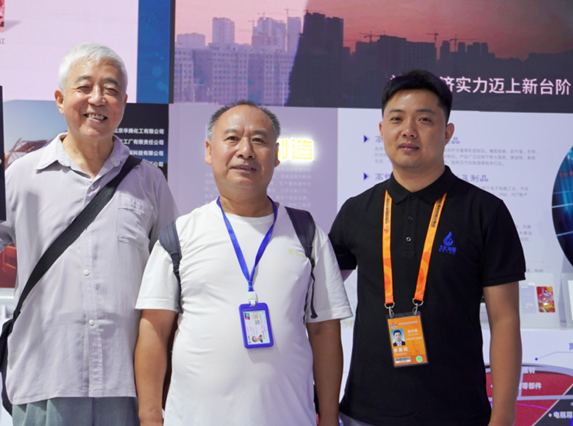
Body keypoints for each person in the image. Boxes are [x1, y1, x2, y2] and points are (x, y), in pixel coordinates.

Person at [0, 43, 179, 426]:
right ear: (59, 100)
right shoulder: (22, 176)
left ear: (124, 103)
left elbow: (173, 280)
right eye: (84, 87)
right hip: (45, 378)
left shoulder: (149, 181)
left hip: (126, 384)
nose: (97, 98)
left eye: (110, 89)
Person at [135, 100, 352, 426]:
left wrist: (330, 417)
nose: (246, 151)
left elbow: (324, 331)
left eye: (259, 140)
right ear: (209, 151)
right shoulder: (178, 236)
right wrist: (150, 416)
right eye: (232, 138)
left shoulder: (307, 233)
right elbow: (155, 329)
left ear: (276, 155)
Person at [329, 69, 525, 426]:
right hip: (365, 413)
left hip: (458, 414)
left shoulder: (485, 211)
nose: (408, 130)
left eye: (424, 119)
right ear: (381, 130)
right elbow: (318, 302)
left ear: (447, 132)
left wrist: (503, 414)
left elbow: (505, 319)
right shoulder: (357, 210)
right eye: (397, 119)